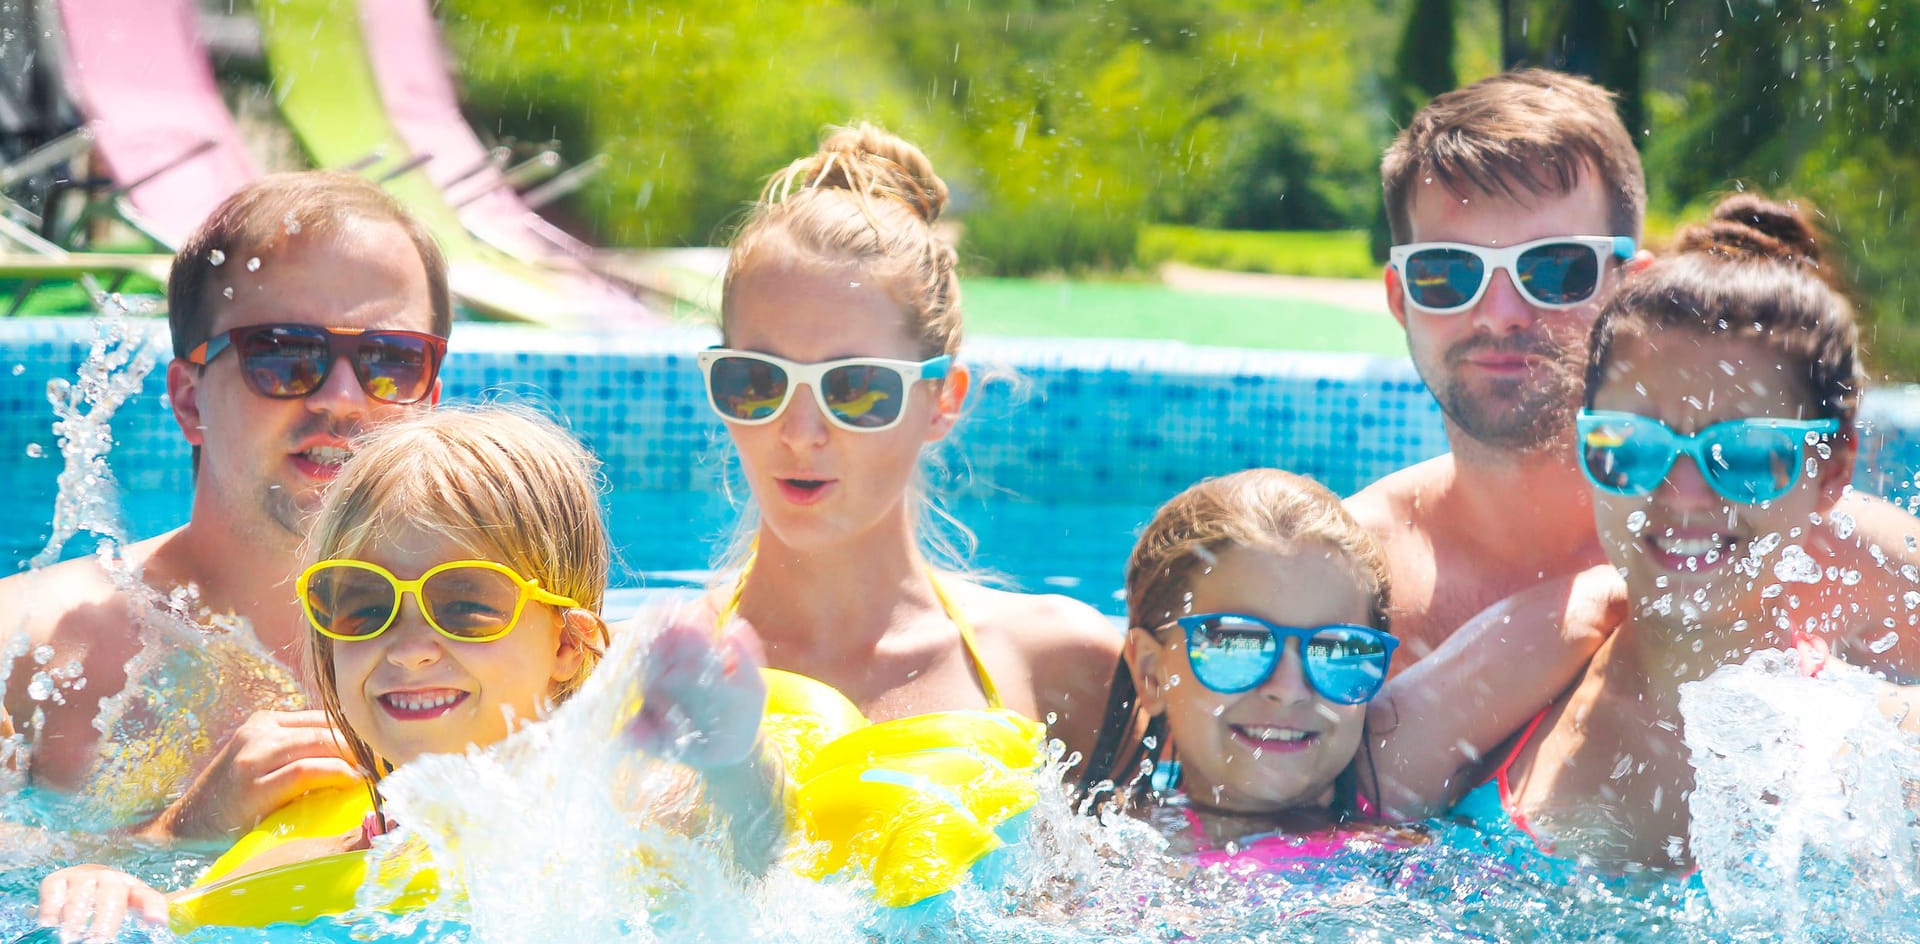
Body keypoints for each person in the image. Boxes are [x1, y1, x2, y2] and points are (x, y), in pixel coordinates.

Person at [36, 406, 781, 940]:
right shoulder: (323, 846)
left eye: (465, 604)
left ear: (567, 642)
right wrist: (122, 890)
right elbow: (193, 908)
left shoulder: (627, 803)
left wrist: (732, 759)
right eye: (361, 603)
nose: (410, 646)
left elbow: (752, 851)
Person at [1459, 196, 1920, 874]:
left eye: (1748, 452)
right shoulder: (1483, 716)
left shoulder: (1889, 753)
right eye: (1633, 446)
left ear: (1831, 472)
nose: (1684, 495)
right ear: (1585, 449)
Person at [0, 172, 453, 840]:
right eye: (286, 355)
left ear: (429, 402)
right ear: (189, 401)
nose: (344, 399)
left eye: (391, 360)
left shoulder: (500, 646)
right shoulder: (21, 658)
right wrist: (181, 832)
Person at [696, 122, 1120, 764]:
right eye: (757, 381)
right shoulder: (655, 673)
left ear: (942, 400)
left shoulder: (1062, 666)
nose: (800, 432)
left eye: (858, 389)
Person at [1076, 469, 1618, 868]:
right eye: (1238, 644)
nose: (1290, 689)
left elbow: (1589, 609)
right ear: (1150, 673)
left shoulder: (1382, 776)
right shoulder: (1098, 856)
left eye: (1338, 652)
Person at [1350, 69, 1653, 665]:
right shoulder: (1335, 582)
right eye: (1448, 272)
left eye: (1556, 269)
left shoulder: (1757, 548)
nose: (1500, 315)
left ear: (1632, 294)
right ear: (1399, 299)